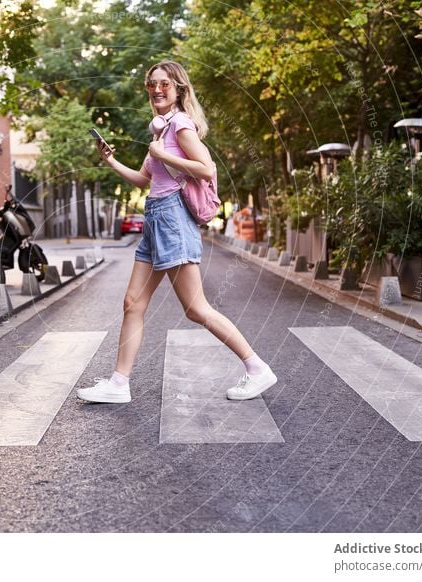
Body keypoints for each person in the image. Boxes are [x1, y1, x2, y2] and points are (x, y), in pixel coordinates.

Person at [77, 60, 277, 404]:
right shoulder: (160, 130)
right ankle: (118, 384)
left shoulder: (180, 125)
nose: (157, 89)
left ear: (179, 89)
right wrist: (110, 160)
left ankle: (257, 368)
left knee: (196, 308)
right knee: (132, 303)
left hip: (172, 218)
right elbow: (145, 180)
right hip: (155, 218)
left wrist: (162, 153)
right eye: (151, 84)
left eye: (164, 84)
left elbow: (206, 168)